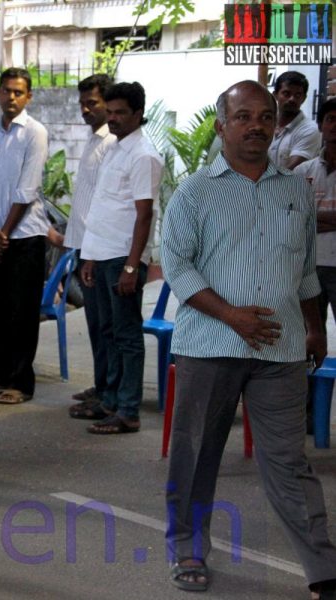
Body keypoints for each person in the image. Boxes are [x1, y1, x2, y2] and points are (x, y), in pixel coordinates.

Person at [161, 80, 336, 599]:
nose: (255, 125)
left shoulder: (294, 190)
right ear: (222, 127)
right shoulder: (195, 191)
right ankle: (189, 549)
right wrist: (232, 317)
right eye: (243, 117)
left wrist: (314, 325)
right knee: (195, 455)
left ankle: (322, 568)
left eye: (264, 117)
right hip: (208, 346)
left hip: (279, 350)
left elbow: (305, 270)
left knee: (289, 463)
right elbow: (177, 268)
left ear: (275, 124)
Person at [77, 82, 161, 434]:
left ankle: (128, 410)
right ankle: (110, 401)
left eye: (119, 113)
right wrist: (91, 257)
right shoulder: (114, 147)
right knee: (108, 332)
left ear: (137, 115)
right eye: (109, 112)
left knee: (126, 336)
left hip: (123, 258)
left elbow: (144, 215)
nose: (111, 118)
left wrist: (132, 265)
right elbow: (104, 206)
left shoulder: (144, 154)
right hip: (102, 251)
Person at [0, 67, 50, 405]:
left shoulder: (35, 133)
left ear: (28, 96)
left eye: (19, 92)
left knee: (22, 312)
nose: (12, 97)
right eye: (6, 91)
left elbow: (27, 189)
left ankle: (20, 383)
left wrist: (4, 232)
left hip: (26, 237)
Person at [63, 74, 116, 408]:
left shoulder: (111, 142)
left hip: (100, 248)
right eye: (82, 103)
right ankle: (101, 387)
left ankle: (110, 394)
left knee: (107, 327)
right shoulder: (94, 139)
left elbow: (105, 202)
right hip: (85, 245)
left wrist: (92, 252)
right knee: (95, 324)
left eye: (91, 103)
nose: (85, 109)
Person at [296, 98, 336, 333]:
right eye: (331, 119)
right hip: (310, 265)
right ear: (321, 125)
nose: (335, 126)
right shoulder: (303, 172)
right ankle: (307, 371)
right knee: (309, 332)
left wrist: (314, 218)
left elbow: (308, 218)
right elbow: (298, 219)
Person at [269, 71, 320, 170]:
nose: (292, 99)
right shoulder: (265, 124)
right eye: (286, 94)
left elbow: (291, 170)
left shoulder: (309, 130)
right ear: (275, 95)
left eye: (297, 95)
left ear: (303, 98)